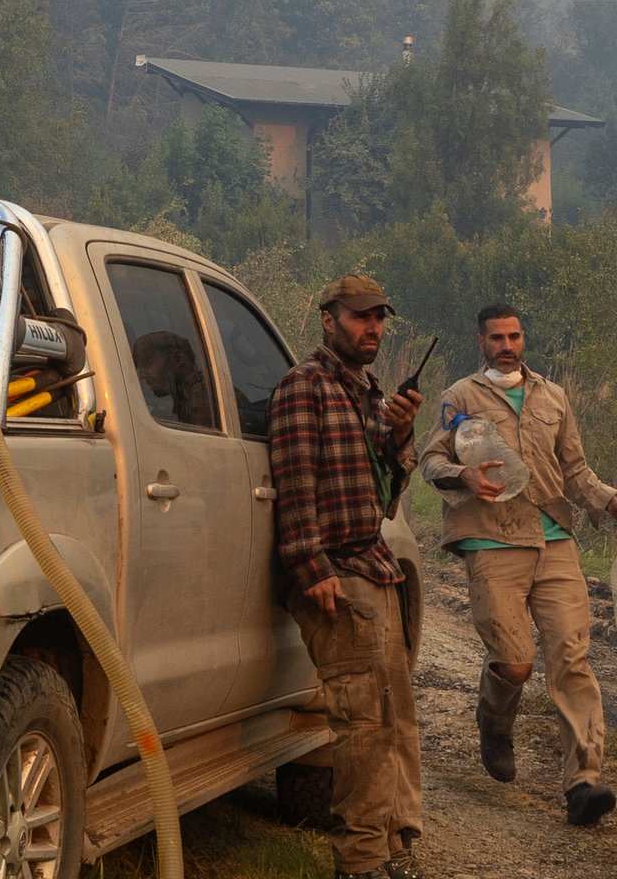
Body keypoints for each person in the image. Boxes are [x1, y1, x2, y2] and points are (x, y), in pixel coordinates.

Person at [419, 303, 617, 826]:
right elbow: (430, 460)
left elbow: (574, 469)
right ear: (480, 342)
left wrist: (608, 500)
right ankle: (495, 720)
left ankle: (583, 784)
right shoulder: (460, 398)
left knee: (572, 659)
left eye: (514, 336)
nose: (507, 346)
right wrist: (464, 478)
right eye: (496, 338)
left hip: (555, 541)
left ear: (523, 339)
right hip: (491, 539)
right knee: (515, 661)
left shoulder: (552, 396)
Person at [269, 274, 425, 879]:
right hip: (336, 570)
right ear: (328, 319)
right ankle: (359, 862)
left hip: (372, 564)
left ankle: (392, 847)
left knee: (395, 715)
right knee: (361, 722)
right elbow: (294, 481)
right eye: (361, 318)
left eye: (380, 319)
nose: (374, 330)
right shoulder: (303, 387)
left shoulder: (364, 392)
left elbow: (388, 489)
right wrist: (312, 568)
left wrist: (401, 431)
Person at [131, 330, 216, 427]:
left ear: (178, 359)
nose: (142, 375)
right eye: (140, 367)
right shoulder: (185, 395)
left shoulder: (202, 399)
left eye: (148, 364)